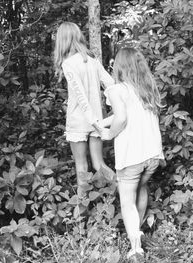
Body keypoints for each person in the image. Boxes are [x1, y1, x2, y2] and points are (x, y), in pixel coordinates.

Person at [101, 47, 164, 261]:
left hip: (132, 156)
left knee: (127, 201)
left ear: (119, 66)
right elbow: (127, 112)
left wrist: (108, 135)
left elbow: (121, 118)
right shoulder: (147, 88)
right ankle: (137, 233)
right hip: (153, 155)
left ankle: (136, 249)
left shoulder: (117, 90)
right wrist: (101, 123)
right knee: (141, 188)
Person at [54, 22, 115, 197]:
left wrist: (92, 120)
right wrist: (111, 109)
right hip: (97, 118)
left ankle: (81, 215)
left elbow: (80, 96)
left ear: (62, 40)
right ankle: (124, 189)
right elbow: (110, 84)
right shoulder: (93, 60)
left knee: (81, 167)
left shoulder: (68, 63)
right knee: (99, 164)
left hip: (80, 120)